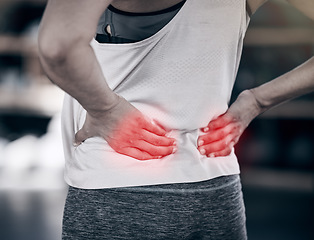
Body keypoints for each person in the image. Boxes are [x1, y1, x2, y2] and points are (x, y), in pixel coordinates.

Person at [38, 0, 314, 239]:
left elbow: (57, 46)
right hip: (218, 188)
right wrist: (257, 100)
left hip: (120, 188)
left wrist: (105, 110)